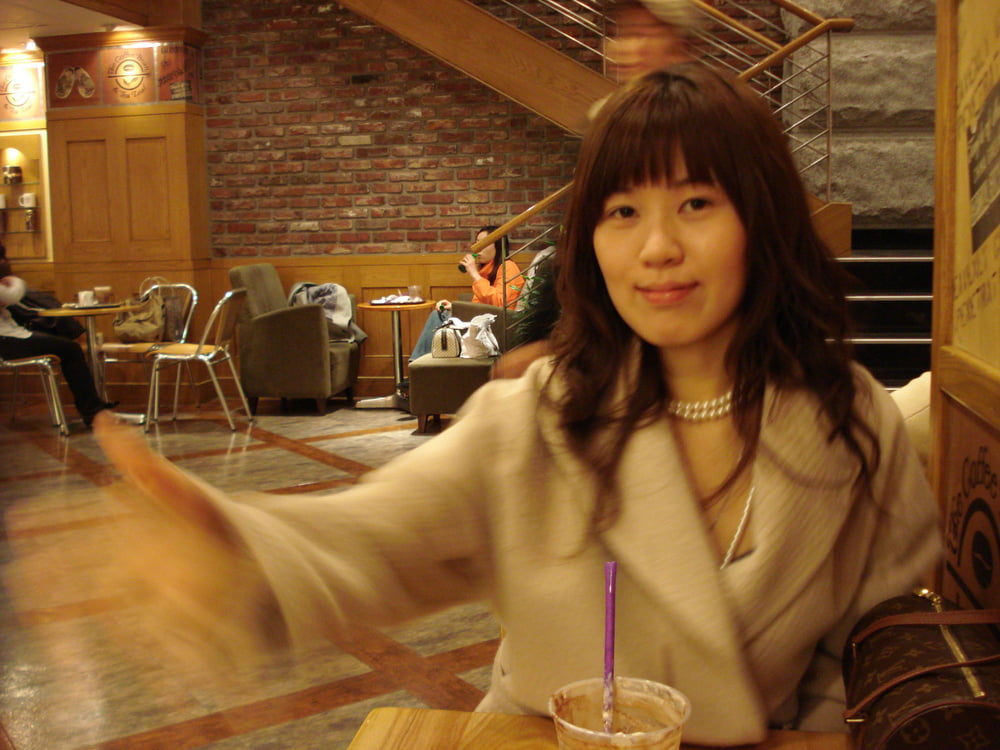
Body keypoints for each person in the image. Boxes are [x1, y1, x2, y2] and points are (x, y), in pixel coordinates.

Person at [92, 65, 940, 745]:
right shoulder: (537, 419)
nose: (656, 247)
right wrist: (231, 549)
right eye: (622, 210)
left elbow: (878, 645)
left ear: (763, 220)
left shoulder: (852, 423)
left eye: (696, 203)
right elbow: (373, 539)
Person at [501, 0, 700, 378]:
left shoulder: (709, 127)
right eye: (623, 34)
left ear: (681, 47)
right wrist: (542, 340)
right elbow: (573, 245)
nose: (628, 47)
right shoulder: (602, 126)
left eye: (646, 34)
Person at [1, 258, 117, 428]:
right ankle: (92, 411)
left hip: (9, 337)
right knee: (71, 349)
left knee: (68, 346)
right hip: (6, 340)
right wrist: (11, 281)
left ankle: (92, 408)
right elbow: (11, 294)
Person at [407, 225, 522, 363]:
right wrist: (455, 307)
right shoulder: (488, 270)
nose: (477, 248)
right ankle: (420, 363)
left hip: (496, 326)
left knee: (437, 316)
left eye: (483, 243)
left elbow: (500, 303)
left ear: (498, 245)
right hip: (481, 321)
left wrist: (474, 274)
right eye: (476, 243)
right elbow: (481, 304)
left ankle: (417, 363)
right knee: (440, 313)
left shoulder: (508, 267)